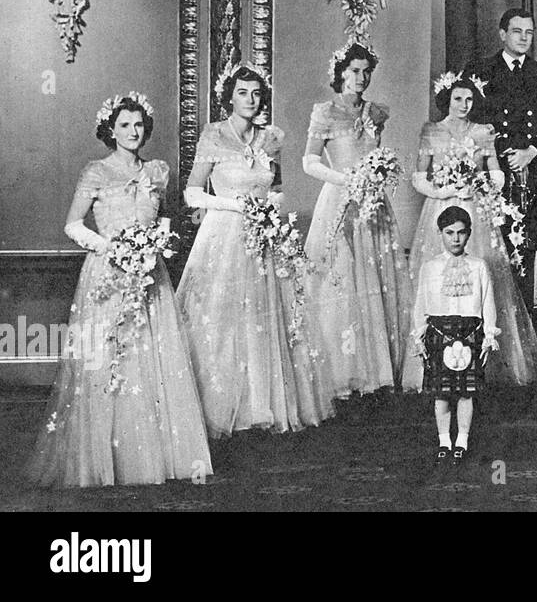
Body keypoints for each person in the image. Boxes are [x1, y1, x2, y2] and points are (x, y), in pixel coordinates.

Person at [29, 93, 212, 487]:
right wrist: (111, 247)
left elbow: (163, 220)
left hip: (150, 275)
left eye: (139, 124)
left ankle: (154, 458)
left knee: (151, 360)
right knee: (110, 358)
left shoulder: (158, 171)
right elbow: (73, 225)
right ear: (110, 130)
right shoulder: (95, 172)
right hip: (108, 275)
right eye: (125, 125)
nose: (133, 131)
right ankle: (106, 460)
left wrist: (159, 243)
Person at [177, 62, 333, 435]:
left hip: (264, 236)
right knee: (222, 317)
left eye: (256, 93)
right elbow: (192, 192)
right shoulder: (213, 135)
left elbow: (275, 187)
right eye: (242, 92)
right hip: (223, 235)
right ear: (229, 97)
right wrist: (236, 206)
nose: (250, 99)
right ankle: (219, 404)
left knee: (264, 319)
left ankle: (260, 403)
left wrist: (270, 207)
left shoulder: (270, 138)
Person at [404, 72, 537, 387]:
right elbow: (418, 176)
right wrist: (442, 191)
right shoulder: (431, 131)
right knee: (439, 278)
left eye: (469, 99)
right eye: (458, 99)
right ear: (446, 100)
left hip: (474, 209)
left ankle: (485, 362)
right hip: (441, 208)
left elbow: (498, 176)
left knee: (482, 278)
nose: (464, 105)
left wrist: (477, 183)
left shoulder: (482, 133)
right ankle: (438, 359)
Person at [300, 42, 412, 398]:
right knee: (342, 279)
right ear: (341, 73)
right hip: (340, 199)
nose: (361, 78)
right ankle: (342, 371)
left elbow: (374, 155)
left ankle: (380, 370)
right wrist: (345, 180)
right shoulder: (326, 112)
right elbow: (309, 161)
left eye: (366, 71)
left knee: (376, 276)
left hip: (373, 203)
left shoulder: (376, 112)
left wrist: (379, 174)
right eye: (354, 71)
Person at [461, 8, 537, 307]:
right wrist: (499, 150)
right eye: (517, 31)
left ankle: (525, 323)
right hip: (493, 171)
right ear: (503, 34)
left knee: (526, 243)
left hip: (531, 170)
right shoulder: (479, 72)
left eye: (529, 33)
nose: (524, 38)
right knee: (493, 244)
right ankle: (492, 317)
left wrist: (532, 152)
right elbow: (469, 121)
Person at [409, 207, 499, 466]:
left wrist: (488, 336)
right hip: (438, 332)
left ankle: (462, 441)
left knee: (466, 393)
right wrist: (419, 337)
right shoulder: (430, 267)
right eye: (449, 233)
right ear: (441, 234)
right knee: (441, 394)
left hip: (470, 332)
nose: (455, 239)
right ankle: (444, 441)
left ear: (469, 234)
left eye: (461, 233)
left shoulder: (478, 266)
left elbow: (487, 302)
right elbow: (421, 304)